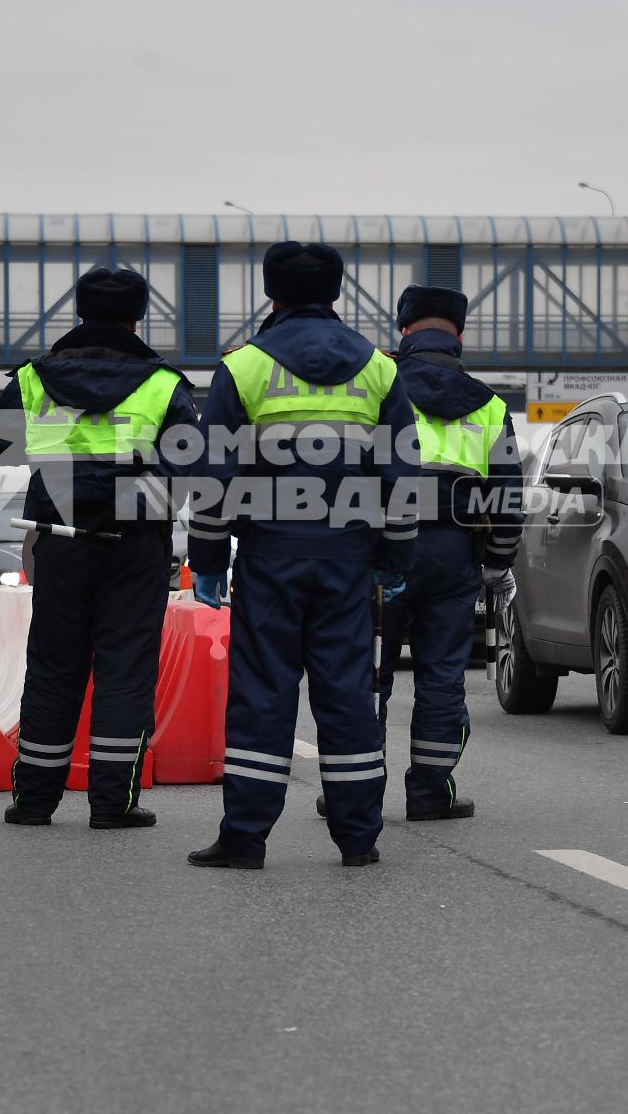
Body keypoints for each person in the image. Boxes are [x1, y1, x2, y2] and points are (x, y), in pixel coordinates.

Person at [185, 241, 418, 870]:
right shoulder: (379, 371)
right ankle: (358, 838)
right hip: (348, 558)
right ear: (337, 292)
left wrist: (207, 558)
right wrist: (394, 560)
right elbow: (402, 477)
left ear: (271, 292)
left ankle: (245, 837)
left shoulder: (244, 369)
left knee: (263, 693)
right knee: (347, 692)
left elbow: (213, 477)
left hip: (270, 555)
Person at [0, 267, 197, 829]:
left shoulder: (35, 376)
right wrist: (122, 492)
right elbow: (190, 465)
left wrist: (63, 469)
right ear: (139, 314)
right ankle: (112, 802)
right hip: (135, 544)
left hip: (59, 539)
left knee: (54, 665)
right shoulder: (164, 384)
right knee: (125, 669)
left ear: (78, 310)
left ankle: (33, 801)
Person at [321, 284, 521, 821]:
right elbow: (509, 494)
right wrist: (498, 563)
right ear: (459, 335)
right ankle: (431, 792)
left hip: (379, 553)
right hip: (454, 553)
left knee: (365, 674)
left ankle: (351, 789)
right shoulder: (491, 404)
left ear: (403, 330)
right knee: (440, 675)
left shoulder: (373, 389)